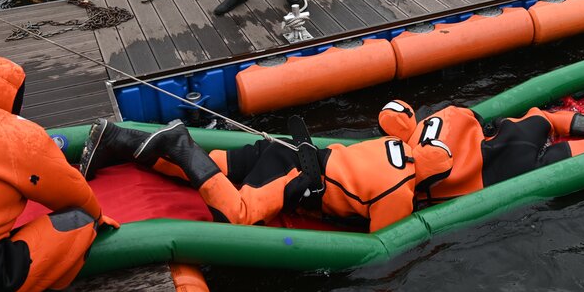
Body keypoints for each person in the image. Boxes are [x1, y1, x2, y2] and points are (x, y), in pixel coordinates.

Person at [0, 57, 117, 292]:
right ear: (16, 98)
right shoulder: (20, 136)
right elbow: (73, 192)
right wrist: (99, 218)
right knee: (79, 221)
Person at [79, 118, 453, 232]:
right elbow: (382, 244)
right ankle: (180, 144)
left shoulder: (395, 144)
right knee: (237, 215)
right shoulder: (400, 194)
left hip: (290, 150)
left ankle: (118, 139)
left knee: (217, 166)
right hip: (296, 178)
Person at [378, 96, 584, 204]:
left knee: (575, 156)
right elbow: (477, 120)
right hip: (505, 139)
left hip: (497, 172)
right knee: (540, 116)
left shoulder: (407, 163)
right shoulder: (440, 116)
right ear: (411, 116)